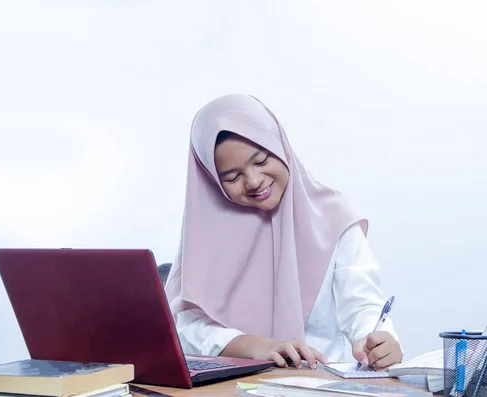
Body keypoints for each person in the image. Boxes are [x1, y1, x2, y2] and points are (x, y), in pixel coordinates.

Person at [164, 94, 403, 370]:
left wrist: (379, 340)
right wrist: (259, 347)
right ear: (212, 180)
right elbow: (186, 327)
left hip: (320, 381)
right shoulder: (205, 234)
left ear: (280, 147)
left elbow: (363, 306)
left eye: (261, 160)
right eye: (232, 177)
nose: (253, 181)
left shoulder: (333, 217)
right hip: (231, 387)